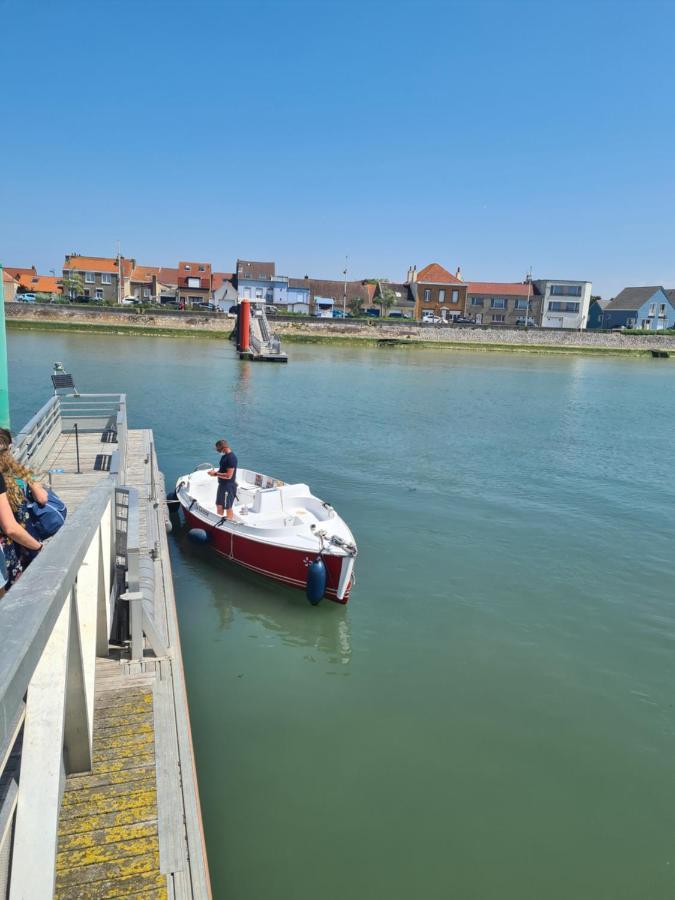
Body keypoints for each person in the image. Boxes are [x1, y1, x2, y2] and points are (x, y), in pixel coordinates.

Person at [0, 428, 47, 587]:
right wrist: (39, 547)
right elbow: (10, 527)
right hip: (19, 545)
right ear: (9, 448)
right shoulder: (18, 473)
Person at [208, 439, 238, 520]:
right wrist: (216, 473)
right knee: (219, 505)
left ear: (223, 448)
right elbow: (223, 470)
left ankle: (230, 522)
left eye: (218, 449)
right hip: (222, 485)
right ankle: (219, 520)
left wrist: (215, 474)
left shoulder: (231, 458)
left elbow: (229, 475)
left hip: (228, 486)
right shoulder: (224, 456)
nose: (217, 451)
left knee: (228, 507)